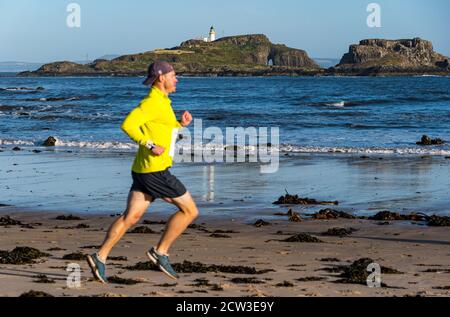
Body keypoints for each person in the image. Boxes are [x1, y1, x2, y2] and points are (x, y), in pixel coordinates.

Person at [87, 61, 198, 283]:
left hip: (143, 170)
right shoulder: (152, 102)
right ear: (161, 78)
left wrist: (180, 124)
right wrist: (149, 145)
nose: (177, 79)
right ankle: (160, 251)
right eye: (174, 76)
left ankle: (99, 256)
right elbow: (128, 125)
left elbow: (162, 129)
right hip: (155, 171)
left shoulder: (163, 101)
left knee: (131, 217)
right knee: (190, 211)